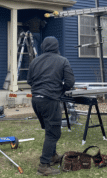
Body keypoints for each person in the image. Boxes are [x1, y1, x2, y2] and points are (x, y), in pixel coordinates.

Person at [27, 36, 75, 176]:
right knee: (53, 132)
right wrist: (60, 89)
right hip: (50, 100)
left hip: (36, 100)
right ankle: (44, 165)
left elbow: (29, 80)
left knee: (49, 129)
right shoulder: (62, 60)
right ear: (56, 46)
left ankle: (53, 156)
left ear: (43, 46)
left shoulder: (35, 61)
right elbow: (70, 81)